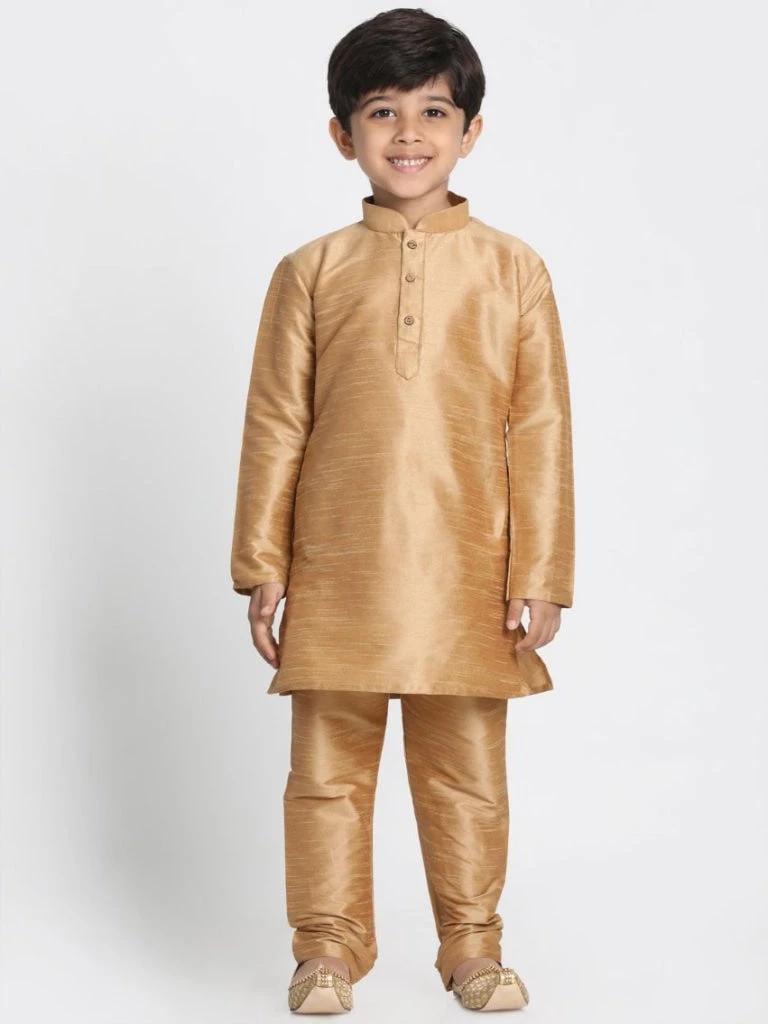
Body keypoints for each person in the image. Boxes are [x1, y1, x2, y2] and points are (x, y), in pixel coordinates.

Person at [230, 7, 575, 1014]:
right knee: (325, 773)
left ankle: (472, 946)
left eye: (434, 111)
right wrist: (262, 563)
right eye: (383, 112)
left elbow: (540, 429)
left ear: (472, 131)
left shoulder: (514, 269)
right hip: (338, 565)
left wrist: (541, 572)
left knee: (466, 771)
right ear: (344, 134)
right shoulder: (311, 271)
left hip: (470, 569)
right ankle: (325, 951)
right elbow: (276, 422)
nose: (410, 134)